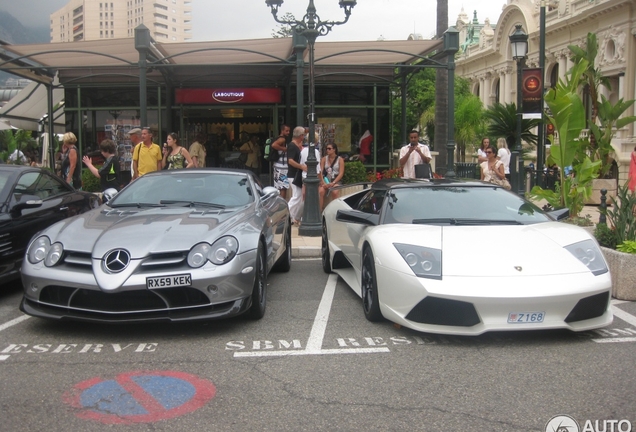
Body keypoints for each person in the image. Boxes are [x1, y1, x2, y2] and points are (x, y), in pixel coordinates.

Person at [286, 126, 306, 224]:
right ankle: (285, 214)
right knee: (297, 196)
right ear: (301, 135)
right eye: (303, 135)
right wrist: (301, 167)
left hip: (294, 175)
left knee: (298, 197)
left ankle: (292, 216)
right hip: (293, 175)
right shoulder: (292, 146)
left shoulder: (294, 145)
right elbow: (290, 161)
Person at [319, 143, 345, 210]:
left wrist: (333, 183)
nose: (327, 150)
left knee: (335, 192)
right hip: (326, 179)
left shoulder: (340, 159)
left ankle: (334, 210)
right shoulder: (324, 159)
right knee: (320, 192)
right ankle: (320, 211)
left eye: (329, 148)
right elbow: (321, 172)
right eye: (327, 149)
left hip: (335, 180)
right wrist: (323, 182)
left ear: (334, 149)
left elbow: (341, 173)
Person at [272, 124, 291, 199]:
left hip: (277, 166)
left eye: (289, 131)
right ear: (282, 131)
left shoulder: (278, 138)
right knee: (283, 187)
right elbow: (274, 145)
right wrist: (285, 149)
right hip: (282, 167)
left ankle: (279, 203)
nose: (288, 132)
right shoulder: (282, 139)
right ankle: (282, 204)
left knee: (278, 186)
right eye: (286, 131)